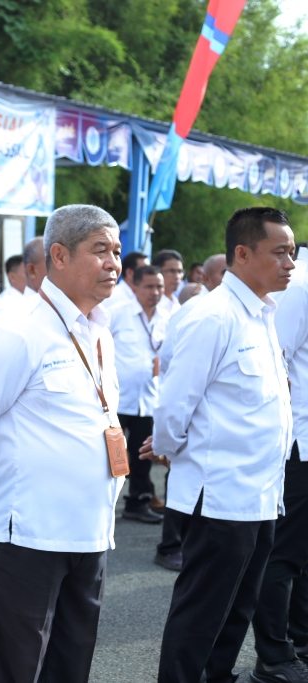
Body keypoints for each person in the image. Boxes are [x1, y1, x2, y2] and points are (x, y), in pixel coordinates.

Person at [0, 204, 124, 683]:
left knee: (70, 667)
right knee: (12, 670)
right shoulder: (18, 332)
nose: (113, 263)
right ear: (59, 256)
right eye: (100, 250)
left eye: (116, 251)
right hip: (24, 537)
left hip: (88, 532)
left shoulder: (99, 333)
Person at [142, 208, 295, 683]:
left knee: (237, 610)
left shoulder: (263, 313)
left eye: (292, 252)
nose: (290, 263)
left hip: (261, 494)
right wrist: (170, 449)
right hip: (220, 496)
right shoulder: (211, 315)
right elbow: (174, 404)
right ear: (242, 254)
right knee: (201, 613)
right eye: (280, 252)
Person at [251, 245, 308, 682]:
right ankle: (273, 655)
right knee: (283, 556)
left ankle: (300, 643)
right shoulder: (301, 285)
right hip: (299, 444)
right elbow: (275, 360)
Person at [152, 253, 226, 572]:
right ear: (205, 278)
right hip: (189, 410)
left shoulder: (240, 309)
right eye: (223, 273)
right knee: (180, 477)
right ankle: (170, 545)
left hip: (215, 424)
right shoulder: (197, 309)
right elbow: (169, 360)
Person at [110, 265, 167, 525]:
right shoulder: (118, 313)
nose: (155, 292)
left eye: (159, 287)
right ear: (136, 287)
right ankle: (102, 503)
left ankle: (138, 502)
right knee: (110, 455)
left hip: (148, 399)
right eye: (149, 286)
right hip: (118, 399)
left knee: (143, 454)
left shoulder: (166, 317)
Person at [153, 249, 184, 316]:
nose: (177, 277)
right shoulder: (149, 304)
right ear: (158, 272)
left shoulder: (177, 306)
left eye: (180, 272)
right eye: (171, 271)